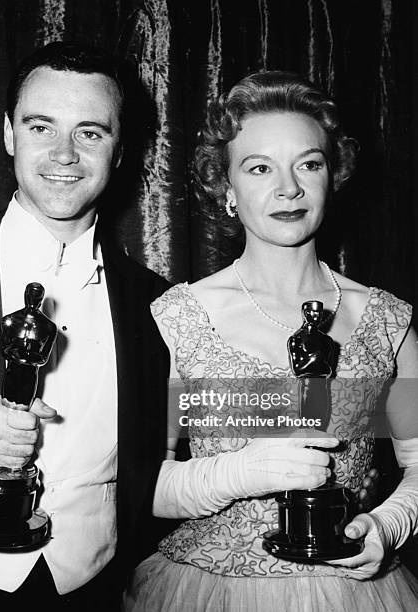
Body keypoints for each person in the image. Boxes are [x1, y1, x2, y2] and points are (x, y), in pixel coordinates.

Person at [126, 72, 418, 611]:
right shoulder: (178, 318)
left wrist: (386, 525)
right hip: (204, 591)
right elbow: (142, 488)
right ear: (226, 187)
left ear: (334, 176)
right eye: (259, 168)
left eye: (309, 164)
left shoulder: (386, 320)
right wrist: (243, 471)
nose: (289, 188)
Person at [0, 42, 170, 610]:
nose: (64, 154)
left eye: (90, 132)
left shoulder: (158, 304)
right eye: (41, 127)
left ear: (120, 149)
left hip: (101, 588)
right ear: (8, 134)